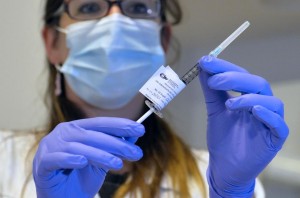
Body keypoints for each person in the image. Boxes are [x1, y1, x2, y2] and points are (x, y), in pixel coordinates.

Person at [0, 0, 289, 197]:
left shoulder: (213, 175)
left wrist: (231, 194)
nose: (116, 21)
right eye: (89, 6)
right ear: (53, 42)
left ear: (162, 40)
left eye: (138, 6)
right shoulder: (4, 160)